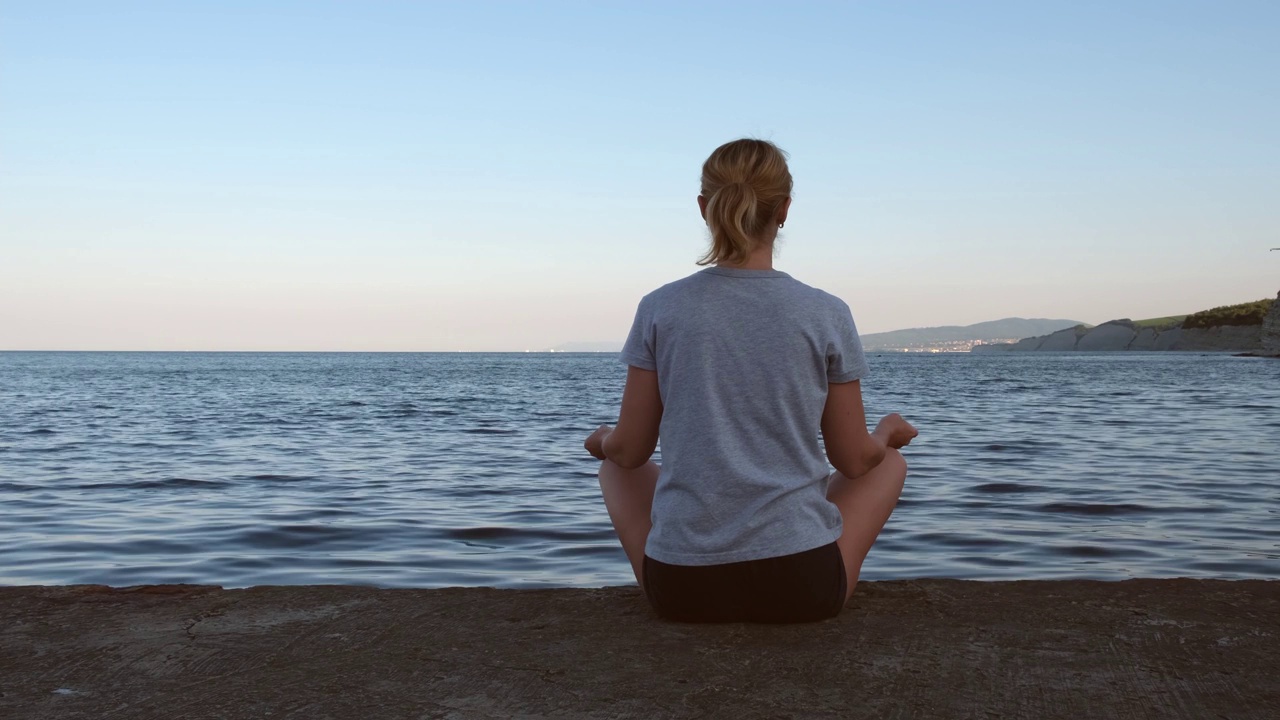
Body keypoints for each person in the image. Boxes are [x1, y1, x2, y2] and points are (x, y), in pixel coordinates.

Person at [584, 138, 917, 623]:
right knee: (887, 465)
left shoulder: (661, 308)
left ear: (704, 208)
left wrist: (603, 441)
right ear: (783, 210)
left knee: (615, 468)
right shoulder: (825, 312)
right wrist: (888, 433)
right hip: (801, 587)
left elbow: (631, 451)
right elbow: (852, 459)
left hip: (683, 590)